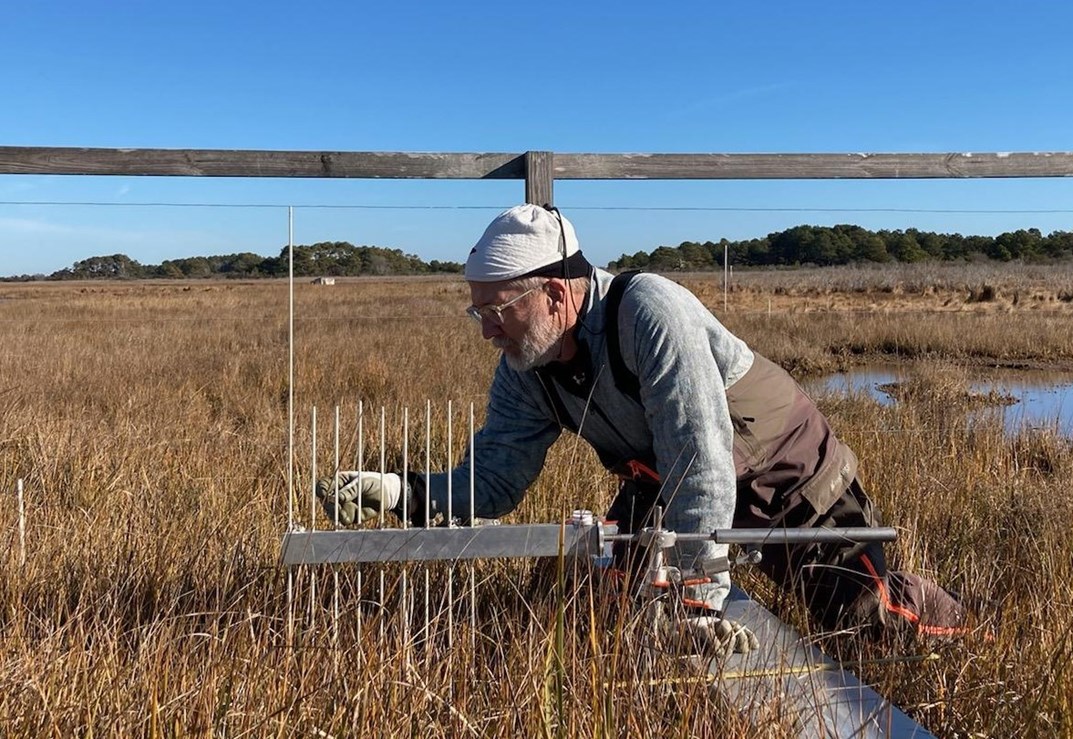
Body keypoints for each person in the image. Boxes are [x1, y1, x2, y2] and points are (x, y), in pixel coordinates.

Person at [318, 204, 967, 653]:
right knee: (615, 599)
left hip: (784, 470)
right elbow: (493, 481)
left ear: (554, 293)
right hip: (663, 478)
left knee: (867, 620)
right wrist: (404, 493)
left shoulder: (649, 311)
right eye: (476, 309)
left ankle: (972, 631)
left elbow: (702, 455)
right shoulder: (525, 364)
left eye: (497, 309)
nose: (486, 329)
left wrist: (698, 596)